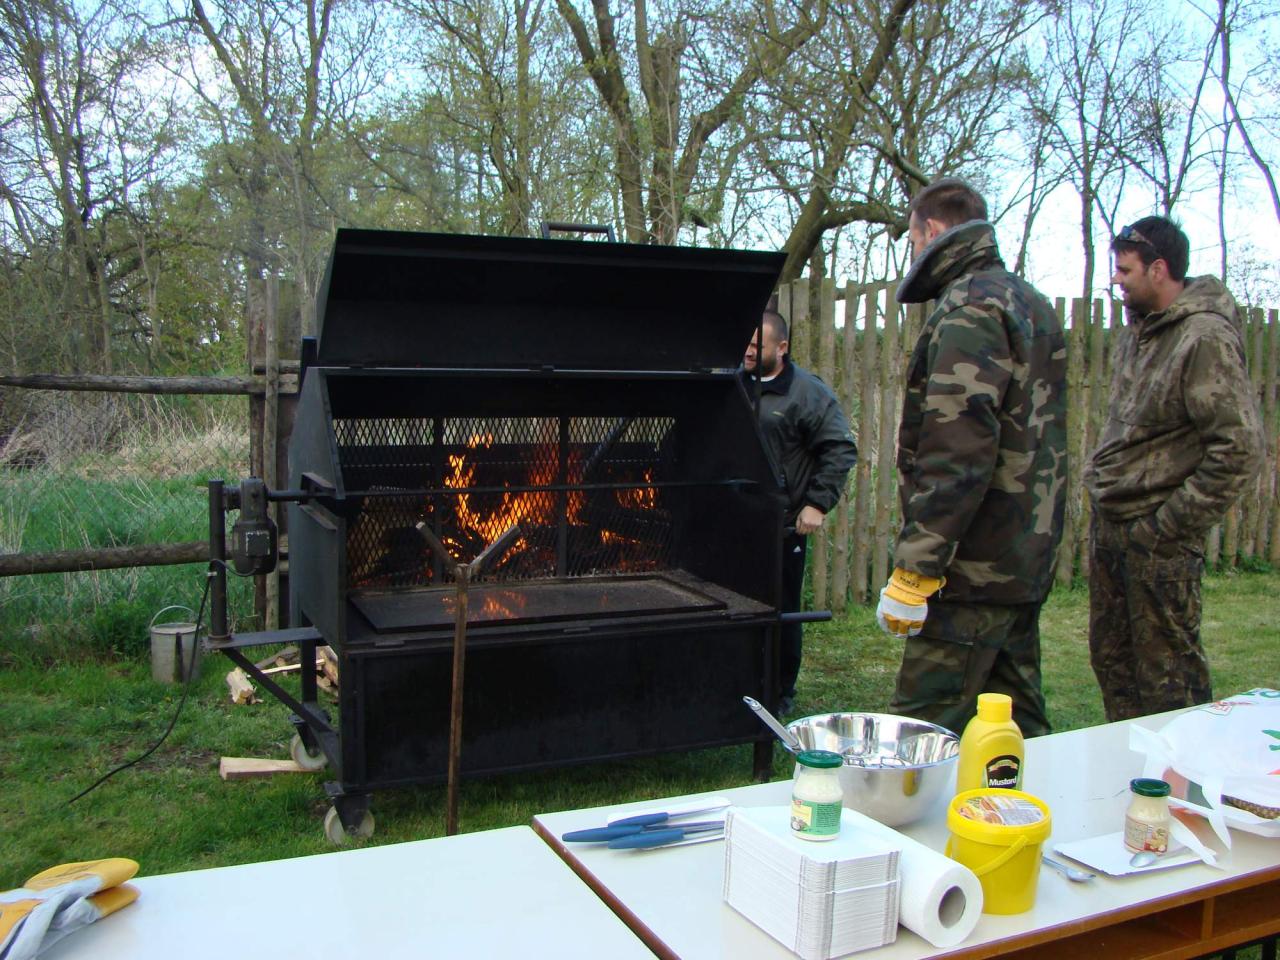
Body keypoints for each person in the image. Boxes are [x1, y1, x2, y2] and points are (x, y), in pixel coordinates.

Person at [876, 178, 1067, 739]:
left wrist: (917, 568)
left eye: (914, 238)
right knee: (1016, 729)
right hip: (1021, 559)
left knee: (920, 736)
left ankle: (906, 804)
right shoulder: (1029, 301)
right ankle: (1026, 799)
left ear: (933, 229)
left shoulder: (970, 307)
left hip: (972, 571)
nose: (913, 250)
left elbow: (958, 451)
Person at [1083, 216, 1263, 721]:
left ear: (1158, 269)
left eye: (1125, 270)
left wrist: (1165, 526)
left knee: (1169, 682)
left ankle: (1183, 772)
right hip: (1112, 529)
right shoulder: (1138, 332)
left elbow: (1239, 449)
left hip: (1159, 540)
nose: (1116, 279)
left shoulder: (1203, 337)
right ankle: (1127, 767)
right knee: (1114, 665)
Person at [741, 310, 857, 715]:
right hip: (736, 518)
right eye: (745, 344)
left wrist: (816, 504)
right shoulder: (734, 384)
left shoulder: (807, 393)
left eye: (756, 345)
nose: (748, 352)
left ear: (782, 348)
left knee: (781, 609)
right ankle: (738, 683)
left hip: (783, 523)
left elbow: (840, 449)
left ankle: (779, 692)